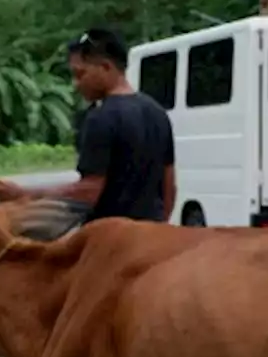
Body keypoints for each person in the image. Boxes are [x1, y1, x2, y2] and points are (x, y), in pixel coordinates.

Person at [34, 28, 176, 223]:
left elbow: (88, 192)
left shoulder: (100, 118)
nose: (76, 83)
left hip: (111, 241)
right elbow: (170, 186)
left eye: (80, 74)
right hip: (152, 239)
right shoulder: (158, 113)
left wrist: (24, 195)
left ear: (106, 67)